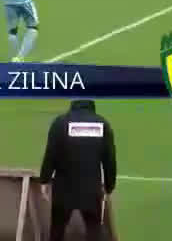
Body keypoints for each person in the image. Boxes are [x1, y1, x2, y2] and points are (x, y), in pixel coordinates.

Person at [38, 99, 116, 241]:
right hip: (91, 190)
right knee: (93, 229)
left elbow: (51, 154)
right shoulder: (102, 124)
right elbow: (109, 159)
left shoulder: (59, 123)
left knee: (57, 230)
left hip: (63, 189)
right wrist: (109, 186)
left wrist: (44, 180)